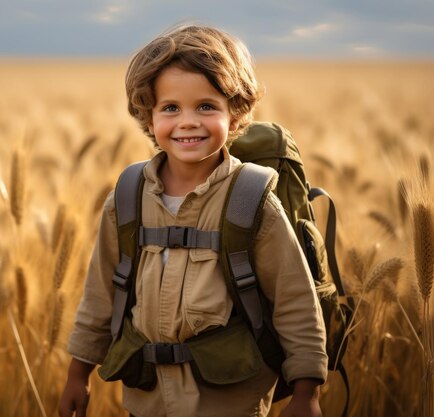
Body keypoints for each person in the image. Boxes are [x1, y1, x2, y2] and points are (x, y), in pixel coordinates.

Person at [59, 24, 327, 417]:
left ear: (235, 117)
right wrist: (77, 375)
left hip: (231, 403)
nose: (188, 121)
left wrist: (307, 393)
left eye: (206, 106)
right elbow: (100, 295)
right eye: (170, 108)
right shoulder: (128, 198)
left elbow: (296, 304)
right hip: (146, 402)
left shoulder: (251, 203)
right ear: (148, 119)